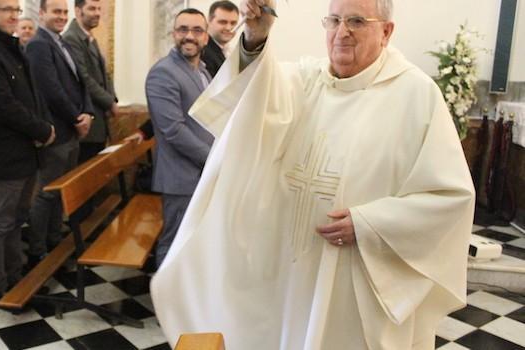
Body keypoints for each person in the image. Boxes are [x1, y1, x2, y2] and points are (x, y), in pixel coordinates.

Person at [150, 0, 476, 349]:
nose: (342, 32)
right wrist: (256, 36)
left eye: (356, 21)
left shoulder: (416, 95)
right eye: (334, 20)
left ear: (386, 31)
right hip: (291, 273)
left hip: (358, 277)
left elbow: (450, 197)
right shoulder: (306, 79)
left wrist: (371, 223)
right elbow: (256, 99)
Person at [0, 0, 55, 304]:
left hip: (26, 153)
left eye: (17, 10)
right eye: (7, 9)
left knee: (17, 219)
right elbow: (3, 107)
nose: (14, 15)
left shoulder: (12, 47)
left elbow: (32, 95)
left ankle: (15, 277)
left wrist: (43, 126)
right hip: (5, 155)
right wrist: (42, 130)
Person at [25, 0, 93, 269]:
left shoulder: (61, 42)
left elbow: (80, 82)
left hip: (72, 129)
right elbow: (50, 89)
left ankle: (54, 238)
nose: (62, 17)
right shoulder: (38, 44)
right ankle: (37, 248)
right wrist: (76, 118)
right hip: (57, 131)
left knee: (59, 190)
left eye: (65, 12)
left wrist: (88, 111)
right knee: (46, 193)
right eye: (56, 12)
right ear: (41, 14)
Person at [146, 8, 213, 267]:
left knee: (192, 243)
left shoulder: (202, 71)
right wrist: (213, 158)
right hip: (181, 176)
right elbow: (173, 130)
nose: (190, 36)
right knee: (174, 243)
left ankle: (183, 300)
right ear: (174, 34)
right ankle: (165, 306)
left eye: (197, 30)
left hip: (199, 174)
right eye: (183, 29)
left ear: (206, 37)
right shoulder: (163, 72)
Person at [63, 0, 118, 163]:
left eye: (99, 9)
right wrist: (109, 102)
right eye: (92, 8)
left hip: (99, 120)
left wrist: (113, 98)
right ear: (78, 11)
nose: (97, 13)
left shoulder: (89, 37)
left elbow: (105, 74)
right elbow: (84, 78)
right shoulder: (72, 38)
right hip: (88, 122)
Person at [202, 1, 239, 77]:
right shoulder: (203, 51)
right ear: (209, 21)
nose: (229, 28)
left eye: (233, 23)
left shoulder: (228, 50)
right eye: (223, 22)